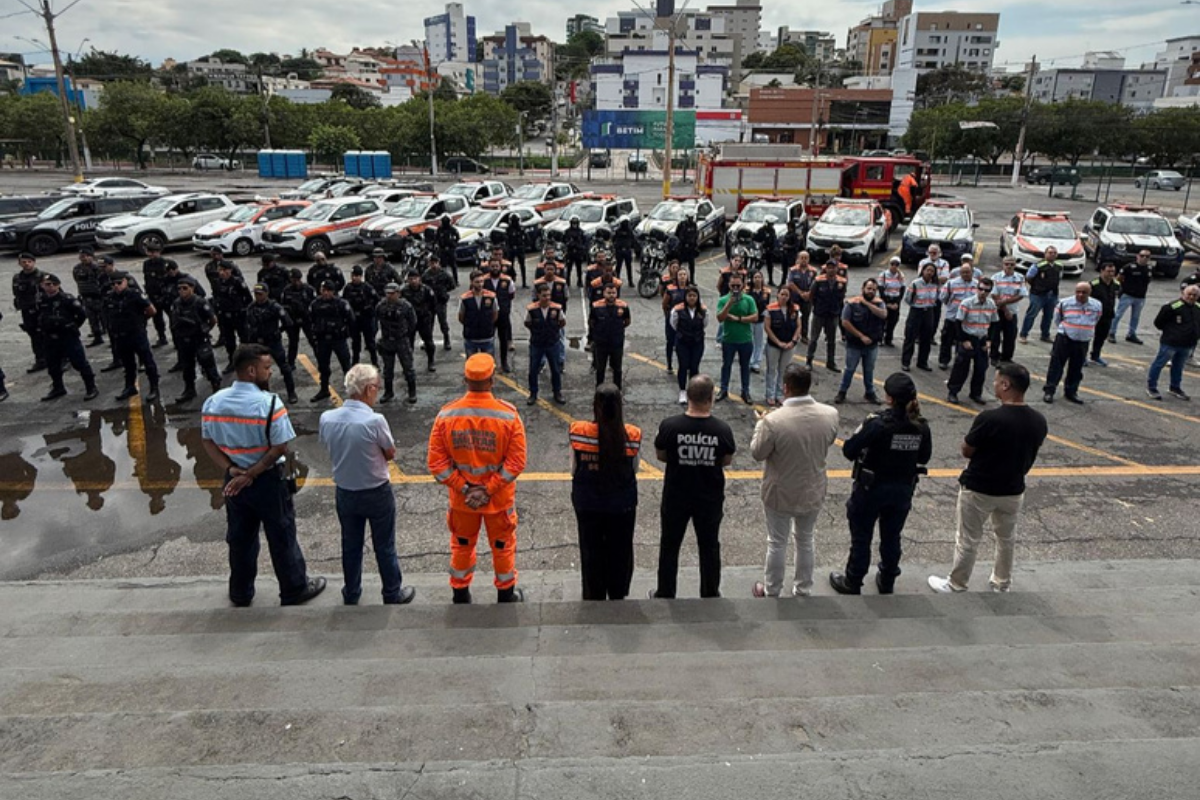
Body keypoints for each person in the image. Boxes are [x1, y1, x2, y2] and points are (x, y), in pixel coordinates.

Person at [201, 343, 326, 607]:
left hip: (234, 480)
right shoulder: (269, 404)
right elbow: (280, 446)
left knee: (240, 538)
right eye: (266, 368)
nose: (270, 372)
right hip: (267, 480)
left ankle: (240, 592)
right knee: (281, 535)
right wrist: (252, 473)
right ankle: (294, 589)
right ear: (250, 370)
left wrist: (231, 469)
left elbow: (208, 442)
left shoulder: (213, 402)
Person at [929, 363, 1048, 593]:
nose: (993, 384)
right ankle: (1001, 582)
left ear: (1006, 385)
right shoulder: (1038, 420)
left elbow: (967, 449)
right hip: (1013, 489)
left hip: (980, 488)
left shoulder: (990, 418)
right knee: (1006, 538)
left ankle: (957, 582)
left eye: (996, 381)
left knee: (968, 539)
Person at [427, 353, 528, 604]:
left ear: (465, 379)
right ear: (492, 380)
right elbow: (515, 463)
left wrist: (464, 488)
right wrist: (488, 489)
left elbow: (437, 465)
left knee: (461, 545)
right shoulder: (508, 416)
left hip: (463, 503)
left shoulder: (446, 416)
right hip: (499, 501)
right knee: (503, 546)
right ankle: (506, 593)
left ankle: (460, 593)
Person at [318, 364, 416, 606]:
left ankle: (352, 591)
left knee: (350, 544)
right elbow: (390, 452)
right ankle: (391, 592)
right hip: (376, 491)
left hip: (345, 490)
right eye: (377, 387)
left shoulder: (327, 418)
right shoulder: (374, 421)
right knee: (384, 545)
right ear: (369, 389)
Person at [830, 372, 931, 595]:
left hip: (871, 488)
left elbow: (849, 450)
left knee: (862, 536)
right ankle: (887, 578)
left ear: (889, 398)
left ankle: (854, 580)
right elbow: (924, 457)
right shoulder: (920, 425)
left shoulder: (877, 424)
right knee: (892, 536)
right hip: (902, 489)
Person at [748, 364, 839, 597]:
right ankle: (803, 588)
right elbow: (828, 441)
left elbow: (758, 452)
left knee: (777, 541)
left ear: (785, 388)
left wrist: (760, 423)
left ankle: (772, 589)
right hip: (812, 487)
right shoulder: (830, 415)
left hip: (781, 490)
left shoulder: (773, 421)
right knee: (806, 539)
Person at [650, 374, 737, 599]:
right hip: (709, 497)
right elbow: (725, 460)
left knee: (670, 544)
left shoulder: (669, 426)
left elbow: (661, 455)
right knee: (709, 546)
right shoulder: (722, 430)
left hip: (676, 495)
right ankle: (710, 591)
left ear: (688, 396)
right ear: (711, 398)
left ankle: (665, 591)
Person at [569, 384, 641, 600]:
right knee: (620, 548)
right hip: (622, 502)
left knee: (591, 548)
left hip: (588, 501)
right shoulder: (632, 434)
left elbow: (573, 469)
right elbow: (635, 468)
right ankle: (618, 590)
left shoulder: (578, 432)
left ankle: (594, 592)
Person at [36, 273, 99, 402]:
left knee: (79, 363)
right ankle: (58, 387)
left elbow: (81, 315)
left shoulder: (67, 299)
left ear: (57, 285)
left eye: (50, 285)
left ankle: (91, 387)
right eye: (44, 285)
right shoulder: (41, 300)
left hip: (67, 337)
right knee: (53, 365)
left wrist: (71, 326)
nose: (47, 287)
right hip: (50, 337)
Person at [104, 271, 161, 402]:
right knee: (128, 364)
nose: (116, 286)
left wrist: (140, 321)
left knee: (147, 361)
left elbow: (151, 310)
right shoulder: (110, 297)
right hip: (120, 335)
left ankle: (154, 387)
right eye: (113, 284)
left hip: (136, 334)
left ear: (125, 282)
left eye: (119, 283)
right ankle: (130, 386)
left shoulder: (134, 295)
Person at [1042, 282, 1102, 405]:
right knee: (1056, 366)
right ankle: (1049, 391)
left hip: (1083, 340)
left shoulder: (1096, 305)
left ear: (1089, 293)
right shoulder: (1065, 303)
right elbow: (1057, 319)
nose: (1080, 295)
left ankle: (1071, 392)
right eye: (1078, 292)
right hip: (1065, 338)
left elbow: (1097, 319)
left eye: (1084, 292)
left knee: (1076, 368)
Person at [244, 284, 299, 404]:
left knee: (284, 368)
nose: (258, 297)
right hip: (259, 342)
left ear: (266, 294)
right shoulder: (251, 307)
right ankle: (265, 393)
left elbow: (288, 322)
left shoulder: (274, 307)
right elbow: (248, 324)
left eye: (260, 294)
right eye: (256, 294)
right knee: (259, 370)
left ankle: (291, 392)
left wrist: (278, 331)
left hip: (273, 341)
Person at [170, 277, 222, 404]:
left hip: (199, 338)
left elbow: (213, 319)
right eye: (179, 288)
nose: (182, 291)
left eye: (185, 288)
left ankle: (216, 388)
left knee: (207, 363)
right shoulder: (177, 303)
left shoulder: (199, 302)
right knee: (187, 366)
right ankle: (189, 389)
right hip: (184, 339)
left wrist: (205, 330)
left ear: (192, 288)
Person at [947, 277, 998, 405]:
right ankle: (953, 392)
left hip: (981, 339)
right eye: (980, 289)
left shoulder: (991, 304)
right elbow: (958, 323)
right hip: (968, 337)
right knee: (961, 368)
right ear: (976, 289)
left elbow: (994, 323)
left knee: (981, 368)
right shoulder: (966, 303)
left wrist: (989, 341)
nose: (982, 292)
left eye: (986, 290)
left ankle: (976, 393)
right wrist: (963, 340)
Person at [836, 278, 887, 405]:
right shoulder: (852, 303)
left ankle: (870, 393)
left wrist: (867, 304)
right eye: (869, 288)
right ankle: (842, 392)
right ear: (863, 289)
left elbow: (883, 314)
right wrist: (861, 336)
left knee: (869, 370)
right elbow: (845, 322)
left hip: (872, 345)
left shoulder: (879, 303)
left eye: (874, 290)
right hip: (855, 344)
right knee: (850, 369)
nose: (871, 291)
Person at [1146, 285, 1200, 401]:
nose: (1191, 297)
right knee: (1159, 364)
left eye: (1194, 295)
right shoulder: (1172, 307)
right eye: (1189, 294)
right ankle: (1152, 387)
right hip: (1171, 342)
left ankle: (1175, 387)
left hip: (1187, 344)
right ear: (1183, 294)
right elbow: (1158, 323)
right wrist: (1172, 333)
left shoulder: (1198, 308)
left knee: (1178, 367)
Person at [308, 280, 355, 403]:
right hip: (323, 339)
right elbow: (311, 319)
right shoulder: (315, 304)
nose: (325, 293)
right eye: (323, 290)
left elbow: (351, 319)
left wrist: (346, 333)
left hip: (338, 339)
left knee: (346, 365)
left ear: (333, 291)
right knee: (323, 366)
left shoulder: (341, 304)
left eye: (328, 291)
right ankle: (324, 389)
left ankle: (352, 390)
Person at [716, 273, 757, 403]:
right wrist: (729, 304)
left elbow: (755, 317)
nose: (735, 288)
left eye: (738, 285)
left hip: (745, 339)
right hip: (729, 339)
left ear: (743, 285)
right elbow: (720, 318)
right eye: (733, 285)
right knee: (726, 365)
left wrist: (738, 319)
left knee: (745, 366)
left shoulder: (749, 299)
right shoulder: (723, 300)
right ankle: (723, 389)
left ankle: (745, 391)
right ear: (728, 285)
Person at [376, 282, 420, 404]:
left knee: (408, 368)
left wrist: (404, 334)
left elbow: (413, 323)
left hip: (401, 340)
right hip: (387, 340)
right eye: (387, 294)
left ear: (398, 293)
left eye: (392, 293)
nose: (389, 296)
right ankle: (388, 392)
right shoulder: (381, 306)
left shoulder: (406, 306)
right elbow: (377, 320)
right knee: (387, 369)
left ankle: (412, 392)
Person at [525, 281, 567, 405]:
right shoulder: (532, 309)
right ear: (538, 296)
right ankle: (533, 393)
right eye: (544, 295)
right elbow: (527, 323)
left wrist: (553, 331)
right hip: (537, 343)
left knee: (555, 369)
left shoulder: (557, 308)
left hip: (552, 343)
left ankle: (557, 392)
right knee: (533, 369)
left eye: (549, 295)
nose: (547, 298)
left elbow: (562, 322)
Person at [804, 261, 848, 372]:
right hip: (819, 313)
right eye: (829, 268)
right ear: (826, 269)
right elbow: (811, 296)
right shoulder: (819, 281)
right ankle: (809, 360)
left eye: (833, 268)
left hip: (832, 314)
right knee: (814, 338)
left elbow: (841, 297)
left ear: (837, 269)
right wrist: (817, 307)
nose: (831, 270)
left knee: (831, 340)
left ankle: (830, 362)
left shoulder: (841, 282)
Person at [763, 286, 801, 407]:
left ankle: (780, 394)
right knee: (771, 370)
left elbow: (799, 326)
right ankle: (770, 394)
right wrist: (778, 342)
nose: (784, 297)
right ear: (777, 295)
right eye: (782, 294)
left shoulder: (795, 309)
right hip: (774, 345)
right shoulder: (770, 309)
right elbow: (767, 328)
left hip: (789, 345)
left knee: (783, 371)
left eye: (786, 295)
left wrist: (793, 341)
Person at [588, 283, 631, 389]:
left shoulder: (623, 306)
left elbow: (627, 321)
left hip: (616, 342)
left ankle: (617, 390)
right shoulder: (596, 306)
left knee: (617, 368)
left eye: (613, 293)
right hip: (601, 343)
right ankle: (599, 389)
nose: (611, 295)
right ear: (604, 293)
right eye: (609, 293)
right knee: (600, 368)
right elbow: (592, 322)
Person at [670, 285, 707, 405]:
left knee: (694, 366)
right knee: (683, 366)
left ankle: (693, 391)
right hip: (683, 342)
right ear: (685, 297)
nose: (692, 298)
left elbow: (705, 323)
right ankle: (682, 391)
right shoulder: (678, 310)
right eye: (689, 296)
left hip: (697, 342)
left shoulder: (703, 310)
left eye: (694, 296)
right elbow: (674, 324)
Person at [938, 262, 978, 370]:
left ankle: (960, 362)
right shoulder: (951, 283)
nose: (965, 274)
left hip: (968, 320)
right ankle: (944, 361)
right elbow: (943, 298)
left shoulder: (977, 285)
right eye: (963, 272)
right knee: (947, 340)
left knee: (963, 342)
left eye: (968, 272)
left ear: (972, 272)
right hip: (952, 318)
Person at [901, 262, 940, 372]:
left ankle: (922, 362)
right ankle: (906, 362)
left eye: (932, 271)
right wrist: (916, 305)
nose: (929, 273)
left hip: (929, 312)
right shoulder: (915, 283)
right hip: (916, 312)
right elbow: (907, 299)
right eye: (927, 270)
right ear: (923, 271)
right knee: (910, 338)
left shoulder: (935, 285)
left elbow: (937, 298)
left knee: (926, 339)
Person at [213, 263, 252, 372]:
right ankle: (232, 361)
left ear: (230, 270)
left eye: (224, 270)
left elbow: (248, 298)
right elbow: (216, 298)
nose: (222, 273)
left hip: (238, 316)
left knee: (244, 339)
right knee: (229, 341)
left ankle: (246, 361)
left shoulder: (237, 282)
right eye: (220, 270)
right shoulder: (218, 283)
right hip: (225, 317)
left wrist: (245, 312)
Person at [1019, 246, 1062, 343]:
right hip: (1038, 294)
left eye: (1054, 253)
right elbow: (1029, 277)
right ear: (1045, 254)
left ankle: (1045, 335)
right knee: (1031, 314)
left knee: (1048, 316)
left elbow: (1059, 278)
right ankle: (1023, 334)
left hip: (1052, 295)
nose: (1052, 254)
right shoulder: (1037, 265)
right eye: (1050, 252)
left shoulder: (1059, 266)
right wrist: (1036, 286)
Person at [989, 256, 1027, 366]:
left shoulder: (1020, 278)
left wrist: (1004, 302)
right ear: (1003, 264)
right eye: (1007, 264)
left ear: (1015, 265)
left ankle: (1006, 358)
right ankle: (994, 357)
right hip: (998, 312)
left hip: (1013, 311)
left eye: (1012, 264)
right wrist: (1005, 310)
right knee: (995, 336)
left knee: (1010, 336)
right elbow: (994, 295)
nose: (1009, 266)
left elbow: (1021, 294)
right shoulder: (996, 277)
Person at [12, 252, 47, 372]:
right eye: (24, 262)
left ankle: (61, 358)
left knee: (48, 334)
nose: (26, 264)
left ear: (34, 262)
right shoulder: (17, 278)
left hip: (41, 310)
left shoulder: (42, 276)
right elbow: (16, 294)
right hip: (27, 310)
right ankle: (40, 360)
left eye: (29, 261)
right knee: (34, 336)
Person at [1110, 250, 1153, 345]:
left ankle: (1131, 334)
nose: (1144, 258)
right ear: (1137, 256)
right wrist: (1119, 290)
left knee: (1136, 317)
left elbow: (1148, 280)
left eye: (1147, 256)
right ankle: (1111, 332)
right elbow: (1118, 279)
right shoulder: (1129, 267)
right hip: (1127, 295)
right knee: (1118, 315)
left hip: (1140, 297)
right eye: (1142, 256)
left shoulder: (1149, 268)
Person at [401, 269, 439, 373]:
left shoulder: (426, 290)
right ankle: (409, 365)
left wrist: (429, 317)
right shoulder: (404, 291)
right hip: (410, 321)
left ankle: (431, 361)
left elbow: (433, 305)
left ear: (420, 279)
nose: (413, 281)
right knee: (408, 344)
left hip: (423, 319)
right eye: (411, 279)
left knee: (429, 343)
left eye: (415, 279)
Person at [342, 266, 380, 367]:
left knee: (370, 342)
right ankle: (355, 362)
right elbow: (344, 302)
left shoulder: (367, 287)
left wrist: (371, 310)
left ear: (361, 276)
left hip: (366, 318)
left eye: (357, 276)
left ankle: (375, 362)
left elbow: (377, 300)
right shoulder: (348, 288)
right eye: (353, 276)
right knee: (355, 343)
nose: (354, 278)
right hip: (354, 319)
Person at [485, 257, 517, 373]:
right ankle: (489, 363)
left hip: (503, 315)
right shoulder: (484, 280)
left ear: (500, 267)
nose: (494, 268)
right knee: (488, 340)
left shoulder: (507, 280)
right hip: (488, 316)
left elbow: (511, 295)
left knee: (503, 340)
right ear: (489, 267)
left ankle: (504, 362)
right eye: (492, 266)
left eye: (496, 266)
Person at [280, 269, 315, 370]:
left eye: (297, 280)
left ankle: (321, 360)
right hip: (293, 320)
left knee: (313, 340)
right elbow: (284, 306)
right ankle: (291, 363)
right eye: (293, 280)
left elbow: (314, 305)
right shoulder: (287, 291)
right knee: (293, 342)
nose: (295, 282)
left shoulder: (308, 289)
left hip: (306, 319)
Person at [458, 271, 499, 356]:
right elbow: (461, 316)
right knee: (472, 365)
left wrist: (488, 323)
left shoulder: (491, 296)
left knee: (488, 364)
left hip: (487, 336)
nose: (480, 284)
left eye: (481, 281)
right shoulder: (465, 298)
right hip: (471, 337)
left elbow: (495, 314)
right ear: (471, 282)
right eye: (477, 282)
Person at [71, 247, 106, 347]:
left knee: (104, 317)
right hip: (86, 296)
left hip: (98, 296)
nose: (84, 258)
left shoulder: (97, 268)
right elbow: (76, 279)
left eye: (86, 256)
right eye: (82, 256)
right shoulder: (77, 268)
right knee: (92, 318)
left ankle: (107, 331)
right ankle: (97, 336)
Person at [141, 244, 175, 346]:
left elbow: (171, 279)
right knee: (157, 319)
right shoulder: (146, 264)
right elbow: (147, 278)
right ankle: (162, 337)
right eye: (149, 252)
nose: (151, 255)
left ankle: (176, 339)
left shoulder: (166, 264)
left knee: (173, 318)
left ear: (158, 252)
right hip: (153, 295)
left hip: (165, 295)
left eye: (153, 252)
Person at [660, 266, 691, 373]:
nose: (682, 277)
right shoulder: (670, 289)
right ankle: (669, 364)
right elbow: (664, 304)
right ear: (676, 277)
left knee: (685, 343)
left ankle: (685, 364)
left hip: (686, 321)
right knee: (670, 341)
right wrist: (668, 316)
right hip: (672, 319)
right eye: (680, 275)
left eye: (684, 275)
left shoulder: (690, 289)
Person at [1088, 262, 1119, 367]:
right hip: (1093, 315)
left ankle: (1095, 355)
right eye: (1108, 271)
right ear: (1102, 271)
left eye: (1113, 271)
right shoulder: (1094, 284)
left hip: (1107, 315)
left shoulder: (1115, 284)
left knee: (1101, 337)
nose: (1111, 274)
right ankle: (1082, 357)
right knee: (1087, 336)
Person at [422, 255, 455, 351]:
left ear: (438, 263)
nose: (433, 265)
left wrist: (444, 291)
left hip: (440, 301)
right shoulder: (426, 274)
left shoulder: (444, 274)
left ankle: (447, 340)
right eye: (431, 263)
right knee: (429, 323)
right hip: (430, 302)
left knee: (443, 322)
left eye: (435, 263)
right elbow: (422, 286)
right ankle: (428, 341)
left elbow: (452, 285)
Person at [786, 250, 817, 342]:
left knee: (806, 316)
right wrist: (800, 293)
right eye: (802, 258)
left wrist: (809, 293)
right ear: (798, 259)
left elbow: (815, 283)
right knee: (793, 315)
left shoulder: (813, 271)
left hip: (807, 298)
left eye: (806, 258)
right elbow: (791, 283)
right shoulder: (793, 270)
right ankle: (792, 334)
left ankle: (804, 335)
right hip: (795, 297)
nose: (804, 260)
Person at [747, 269, 772, 373]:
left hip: (760, 320)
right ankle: (749, 361)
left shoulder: (766, 292)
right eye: (755, 277)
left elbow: (767, 306)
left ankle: (756, 362)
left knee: (759, 342)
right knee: (749, 341)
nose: (757, 279)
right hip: (749, 319)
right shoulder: (747, 291)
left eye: (759, 277)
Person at [878, 256, 906, 347]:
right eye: (892, 264)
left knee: (893, 320)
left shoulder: (900, 276)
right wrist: (887, 303)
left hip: (895, 299)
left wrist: (897, 303)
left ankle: (888, 338)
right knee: (883, 320)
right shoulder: (884, 275)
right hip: (886, 299)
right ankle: (880, 338)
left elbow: (902, 289)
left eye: (896, 264)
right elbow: (881, 290)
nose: (894, 266)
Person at [436, 215, 461, 287]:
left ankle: (456, 281)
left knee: (453, 266)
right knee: (443, 266)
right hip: (442, 249)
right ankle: (444, 281)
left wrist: (454, 244)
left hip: (450, 249)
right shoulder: (440, 229)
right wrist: (438, 244)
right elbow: (437, 237)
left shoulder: (452, 229)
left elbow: (457, 237)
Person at [563, 216, 588, 287]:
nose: (574, 224)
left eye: (576, 223)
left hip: (578, 252)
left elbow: (585, 242)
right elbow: (564, 241)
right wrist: (569, 244)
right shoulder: (567, 231)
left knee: (579, 268)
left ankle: (579, 281)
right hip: (570, 252)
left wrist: (582, 247)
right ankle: (567, 281)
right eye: (573, 223)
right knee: (568, 268)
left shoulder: (581, 232)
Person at [504, 213, 529, 287]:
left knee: (522, 265)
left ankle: (524, 282)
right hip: (511, 248)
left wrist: (524, 246)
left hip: (519, 248)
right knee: (510, 266)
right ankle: (511, 280)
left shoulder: (521, 229)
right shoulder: (508, 229)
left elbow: (526, 238)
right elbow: (506, 240)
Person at [753, 215, 779, 285]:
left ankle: (770, 280)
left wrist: (775, 247)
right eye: (771, 224)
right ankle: (752, 278)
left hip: (770, 251)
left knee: (770, 266)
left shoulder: (772, 230)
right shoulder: (761, 230)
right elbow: (756, 239)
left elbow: (774, 239)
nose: (772, 225)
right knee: (759, 265)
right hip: (762, 251)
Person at [613, 217, 639, 285]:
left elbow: (633, 240)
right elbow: (614, 239)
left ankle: (630, 281)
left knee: (628, 267)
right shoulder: (618, 231)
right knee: (619, 266)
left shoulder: (629, 231)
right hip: (621, 250)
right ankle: (617, 279)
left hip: (626, 250)